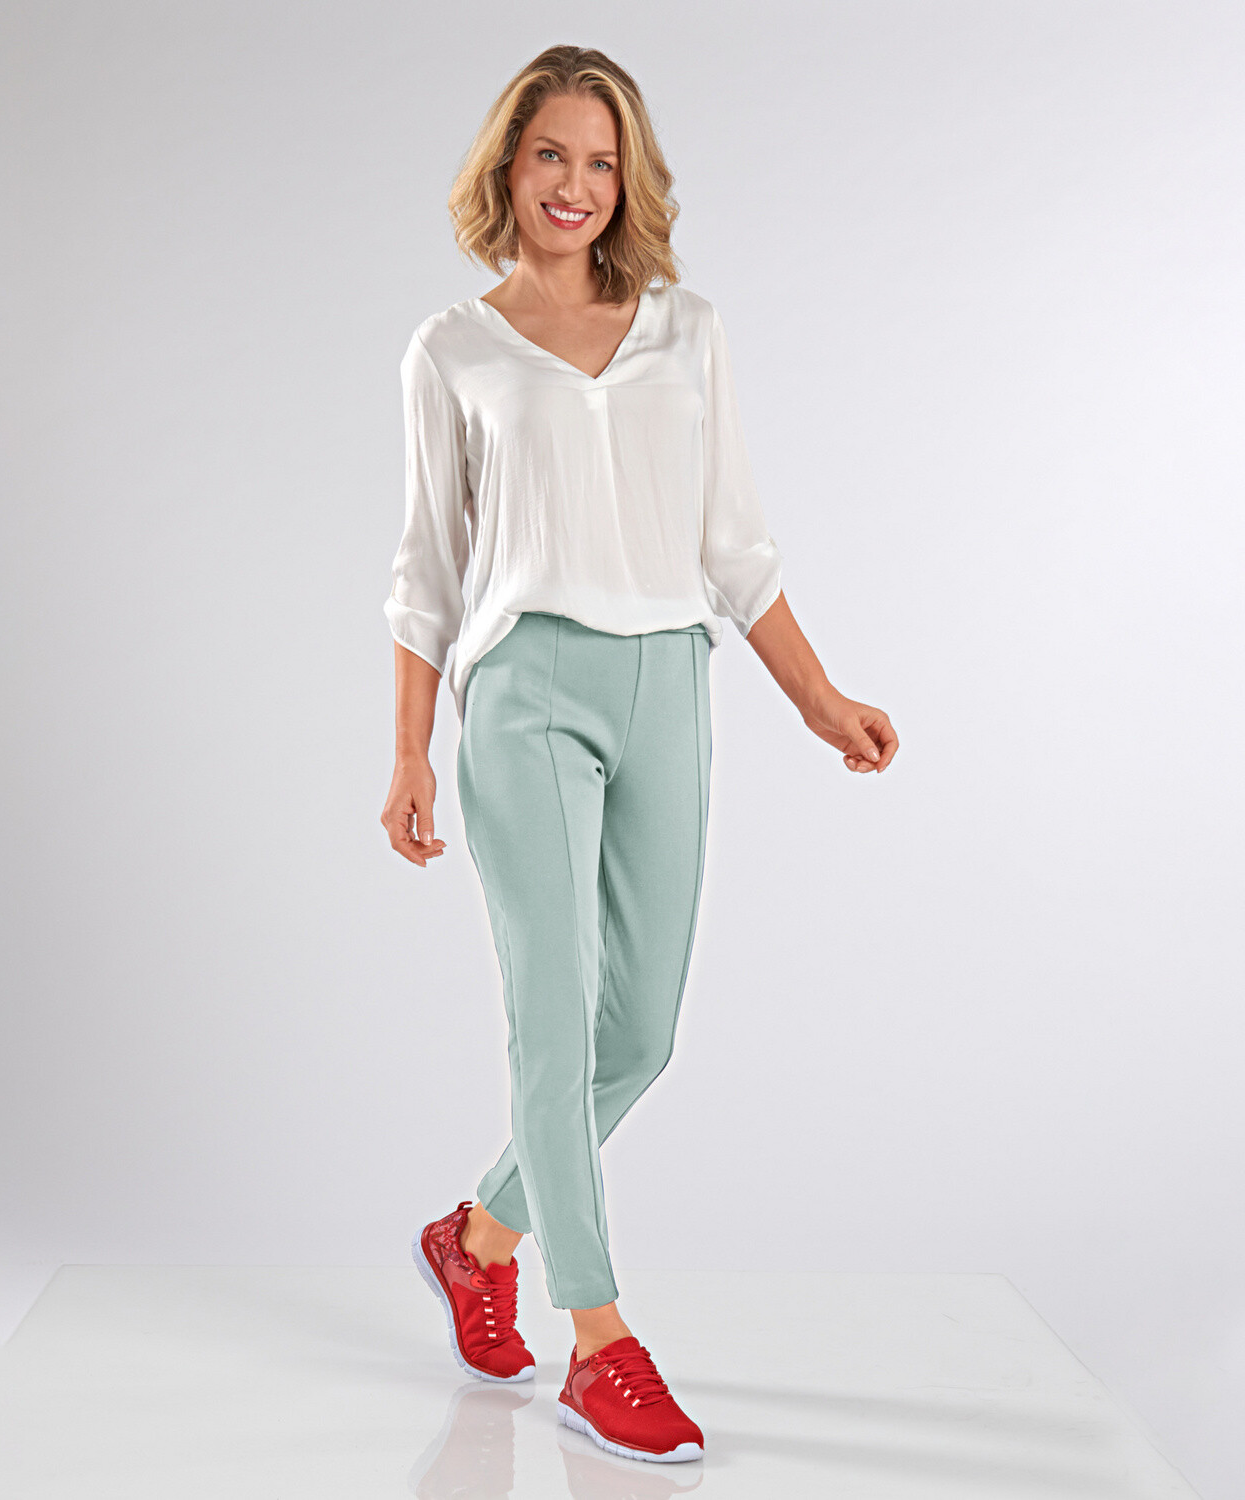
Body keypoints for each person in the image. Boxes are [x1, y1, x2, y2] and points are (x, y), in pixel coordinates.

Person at [381, 44, 898, 1465]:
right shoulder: (453, 350)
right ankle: (598, 1339)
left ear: (630, 180)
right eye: (550, 154)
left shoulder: (688, 329)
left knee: (643, 1031)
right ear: (508, 166)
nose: (575, 184)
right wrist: (410, 751)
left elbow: (736, 546)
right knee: (553, 1024)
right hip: (526, 690)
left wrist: (817, 697)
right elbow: (427, 571)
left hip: (670, 679)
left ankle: (480, 1236)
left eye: (601, 162)